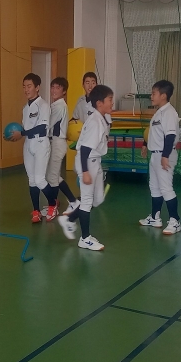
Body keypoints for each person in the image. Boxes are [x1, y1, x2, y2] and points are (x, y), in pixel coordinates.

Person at [58, 85, 113, 250]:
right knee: (87, 201)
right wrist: (85, 171)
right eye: (109, 100)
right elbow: (84, 149)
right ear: (99, 103)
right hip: (87, 161)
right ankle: (85, 238)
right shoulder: (95, 122)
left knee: (98, 199)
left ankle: (68, 219)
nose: (112, 102)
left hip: (95, 161)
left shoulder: (102, 117)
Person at [7, 73, 57, 223]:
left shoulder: (44, 105)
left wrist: (21, 133)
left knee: (40, 180)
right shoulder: (25, 108)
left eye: (29, 86)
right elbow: (25, 128)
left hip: (41, 143)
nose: (26, 89)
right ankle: (36, 210)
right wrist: (14, 135)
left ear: (37, 87)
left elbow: (42, 127)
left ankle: (53, 205)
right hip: (28, 144)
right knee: (32, 180)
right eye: (24, 86)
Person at [139, 80, 181, 235]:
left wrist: (165, 156)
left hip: (164, 155)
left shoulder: (169, 112)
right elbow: (153, 132)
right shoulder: (159, 112)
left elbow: (170, 136)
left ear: (163, 96)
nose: (151, 96)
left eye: (153, 93)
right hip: (155, 155)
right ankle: (155, 218)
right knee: (155, 187)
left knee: (166, 188)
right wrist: (145, 144)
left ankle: (175, 221)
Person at [47, 77, 80, 217]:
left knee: (52, 177)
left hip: (57, 143)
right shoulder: (55, 105)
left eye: (58, 88)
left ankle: (57, 205)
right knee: (52, 176)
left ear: (64, 91)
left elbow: (48, 125)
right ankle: (68, 201)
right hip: (54, 142)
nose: (54, 90)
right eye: (52, 87)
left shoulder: (60, 106)